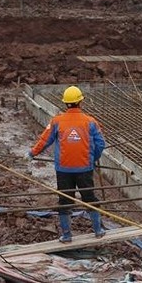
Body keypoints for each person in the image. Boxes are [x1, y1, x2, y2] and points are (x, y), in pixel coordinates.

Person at [25, 85, 106, 243]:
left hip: (63, 169)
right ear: (80, 102)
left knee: (64, 201)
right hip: (85, 168)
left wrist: (31, 153)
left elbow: (45, 140)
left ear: (65, 103)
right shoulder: (90, 122)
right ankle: (98, 230)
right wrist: (92, 159)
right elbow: (101, 144)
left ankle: (67, 235)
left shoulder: (57, 121)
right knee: (90, 198)